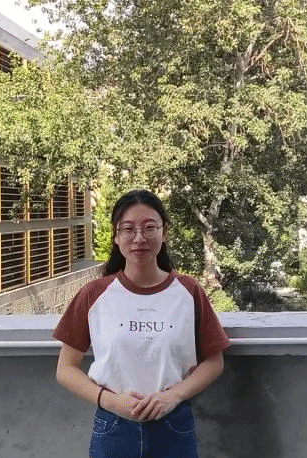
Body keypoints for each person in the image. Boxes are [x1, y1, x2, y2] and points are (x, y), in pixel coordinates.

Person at [53, 189, 231, 458]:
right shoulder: (94, 294)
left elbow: (214, 361)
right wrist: (111, 401)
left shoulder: (188, 291)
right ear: (116, 235)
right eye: (128, 229)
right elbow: (65, 369)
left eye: (149, 227)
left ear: (164, 232)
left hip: (174, 426)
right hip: (113, 427)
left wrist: (173, 396)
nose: (139, 238)